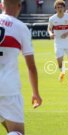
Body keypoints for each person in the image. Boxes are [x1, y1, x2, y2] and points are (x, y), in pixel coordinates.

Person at [0, 0, 42, 134]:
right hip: (8, 89)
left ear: (1, 5)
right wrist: (35, 93)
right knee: (17, 132)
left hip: (8, 89)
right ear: (19, 6)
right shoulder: (21, 28)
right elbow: (31, 67)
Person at [48, 0, 68, 86]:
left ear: (64, 8)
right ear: (55, 9)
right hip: (58, 43)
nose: (59, 9)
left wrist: (67, 33)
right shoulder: (52, 19)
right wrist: (50, 34)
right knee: (59, 62)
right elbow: (49, 28)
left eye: (61, 7)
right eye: (57, 7)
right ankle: (62, 72)